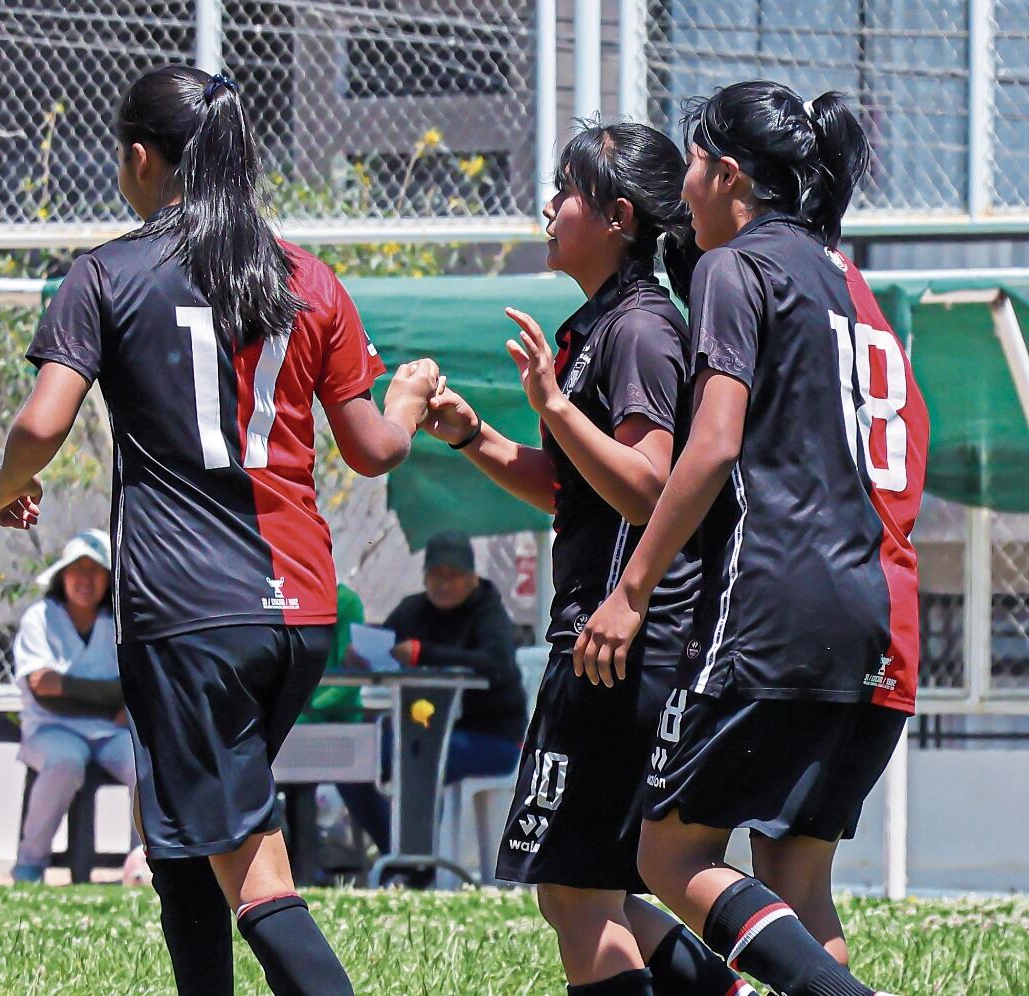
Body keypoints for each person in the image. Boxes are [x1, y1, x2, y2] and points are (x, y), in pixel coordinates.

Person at [0, 66, 442, 996]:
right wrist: (405, 402)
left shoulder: (108, 273)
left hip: (188, 616)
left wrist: (10, 489)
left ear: (141, 158)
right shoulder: (310, 280)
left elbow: (41, 422)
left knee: (243, 856)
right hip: (303, 615)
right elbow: (371, 450)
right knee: (185, 833)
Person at [576, 83, 927, 996]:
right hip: (877, 604)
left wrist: (633, 588)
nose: (682, 186)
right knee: (797, 875)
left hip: (779, 598)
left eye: (692, 163)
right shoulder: (850, 283)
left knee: (668, 853)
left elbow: (714, 441)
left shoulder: (737, 267)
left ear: (726, 172)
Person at [425, 121, 748, 996]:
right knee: (587, 887)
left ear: (617, 217)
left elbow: (649, 488)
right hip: (604, 638)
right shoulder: (601, 325)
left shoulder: (641, 328)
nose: (549, 206)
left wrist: (556, 409)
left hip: (619, 642)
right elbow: (580, 491)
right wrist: (475, 436)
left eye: (565, 190)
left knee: (575, 889)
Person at [333, 531, 527, 859]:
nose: (444, 585)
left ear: (471, 578)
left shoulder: (489, 613)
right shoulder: (414, 610)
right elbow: (387, 641)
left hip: (492, 739)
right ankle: (395, 854)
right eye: (436, 575)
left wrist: (423, 653)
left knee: (417, 759)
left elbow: (495, 664)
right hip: (422, 731)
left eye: (453, 576)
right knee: (354, 759)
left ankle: (418, 861)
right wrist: (362, 653)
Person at [12, 528, 137, 884]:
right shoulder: (40, 617)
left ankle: (142, 865)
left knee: (146, 761)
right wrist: (110, 697)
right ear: (62, 575)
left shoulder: (120, 621)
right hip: (50, 731)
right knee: (66, 761)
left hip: (112, 732)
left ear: (109, 579)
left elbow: (134, 685)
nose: (85, 579)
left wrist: (68, 689)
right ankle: (29, 865)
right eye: (76, 569)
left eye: (95, 570)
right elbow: (41, 686)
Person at [295, 582, 367, 725]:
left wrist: (310, 712)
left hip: (340, 725)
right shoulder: (284, 601)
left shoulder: (346, 602)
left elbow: (352, 679)